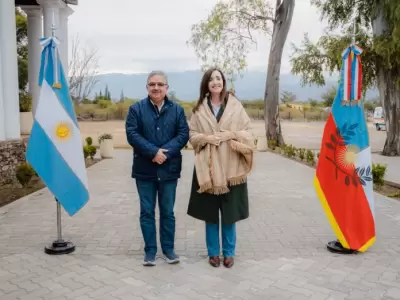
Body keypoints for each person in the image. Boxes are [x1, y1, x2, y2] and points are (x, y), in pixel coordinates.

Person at [187, 68, 254, 268]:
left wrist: (230, 134)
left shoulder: (235, 106)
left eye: (218, 78)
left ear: (223, 82)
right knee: (210, 214)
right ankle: (213, 253)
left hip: (231, 168)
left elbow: (248, 132)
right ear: (206, 84)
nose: (215, 82)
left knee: (229, 214)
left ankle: (229, 253)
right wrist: (207, 138)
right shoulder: (199, 109)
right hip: (208, 169)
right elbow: (192, 135)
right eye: (211, 79)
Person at [125, 70, 189, 266]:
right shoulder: (136, 109)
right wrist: (153, 152)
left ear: (166, 88)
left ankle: (168, 250)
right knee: (147, 211)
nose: (156, 88)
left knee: (167, 212)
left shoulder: (177, 110)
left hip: (169, 170)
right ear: (147, 87)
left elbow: (183, 134)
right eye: (152, 84)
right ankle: (150, 251)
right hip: (145, 170)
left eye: (160, 84)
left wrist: (165, 153)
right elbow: (132, 134)